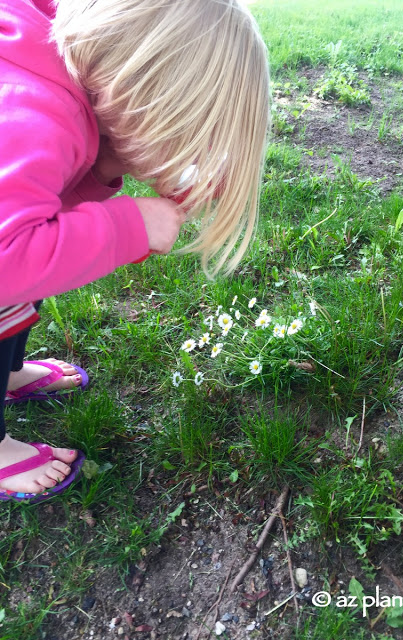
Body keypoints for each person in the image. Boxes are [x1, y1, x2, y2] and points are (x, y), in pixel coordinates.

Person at [0, 0, 270, 502]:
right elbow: (7, 257)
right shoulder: (38, 114)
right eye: (185, 139)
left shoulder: (59, 82)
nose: (191, 159)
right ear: (135, 93)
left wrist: (102, 173)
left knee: (27, 289)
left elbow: (39, 205)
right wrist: (126, 226)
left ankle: (9, 374)